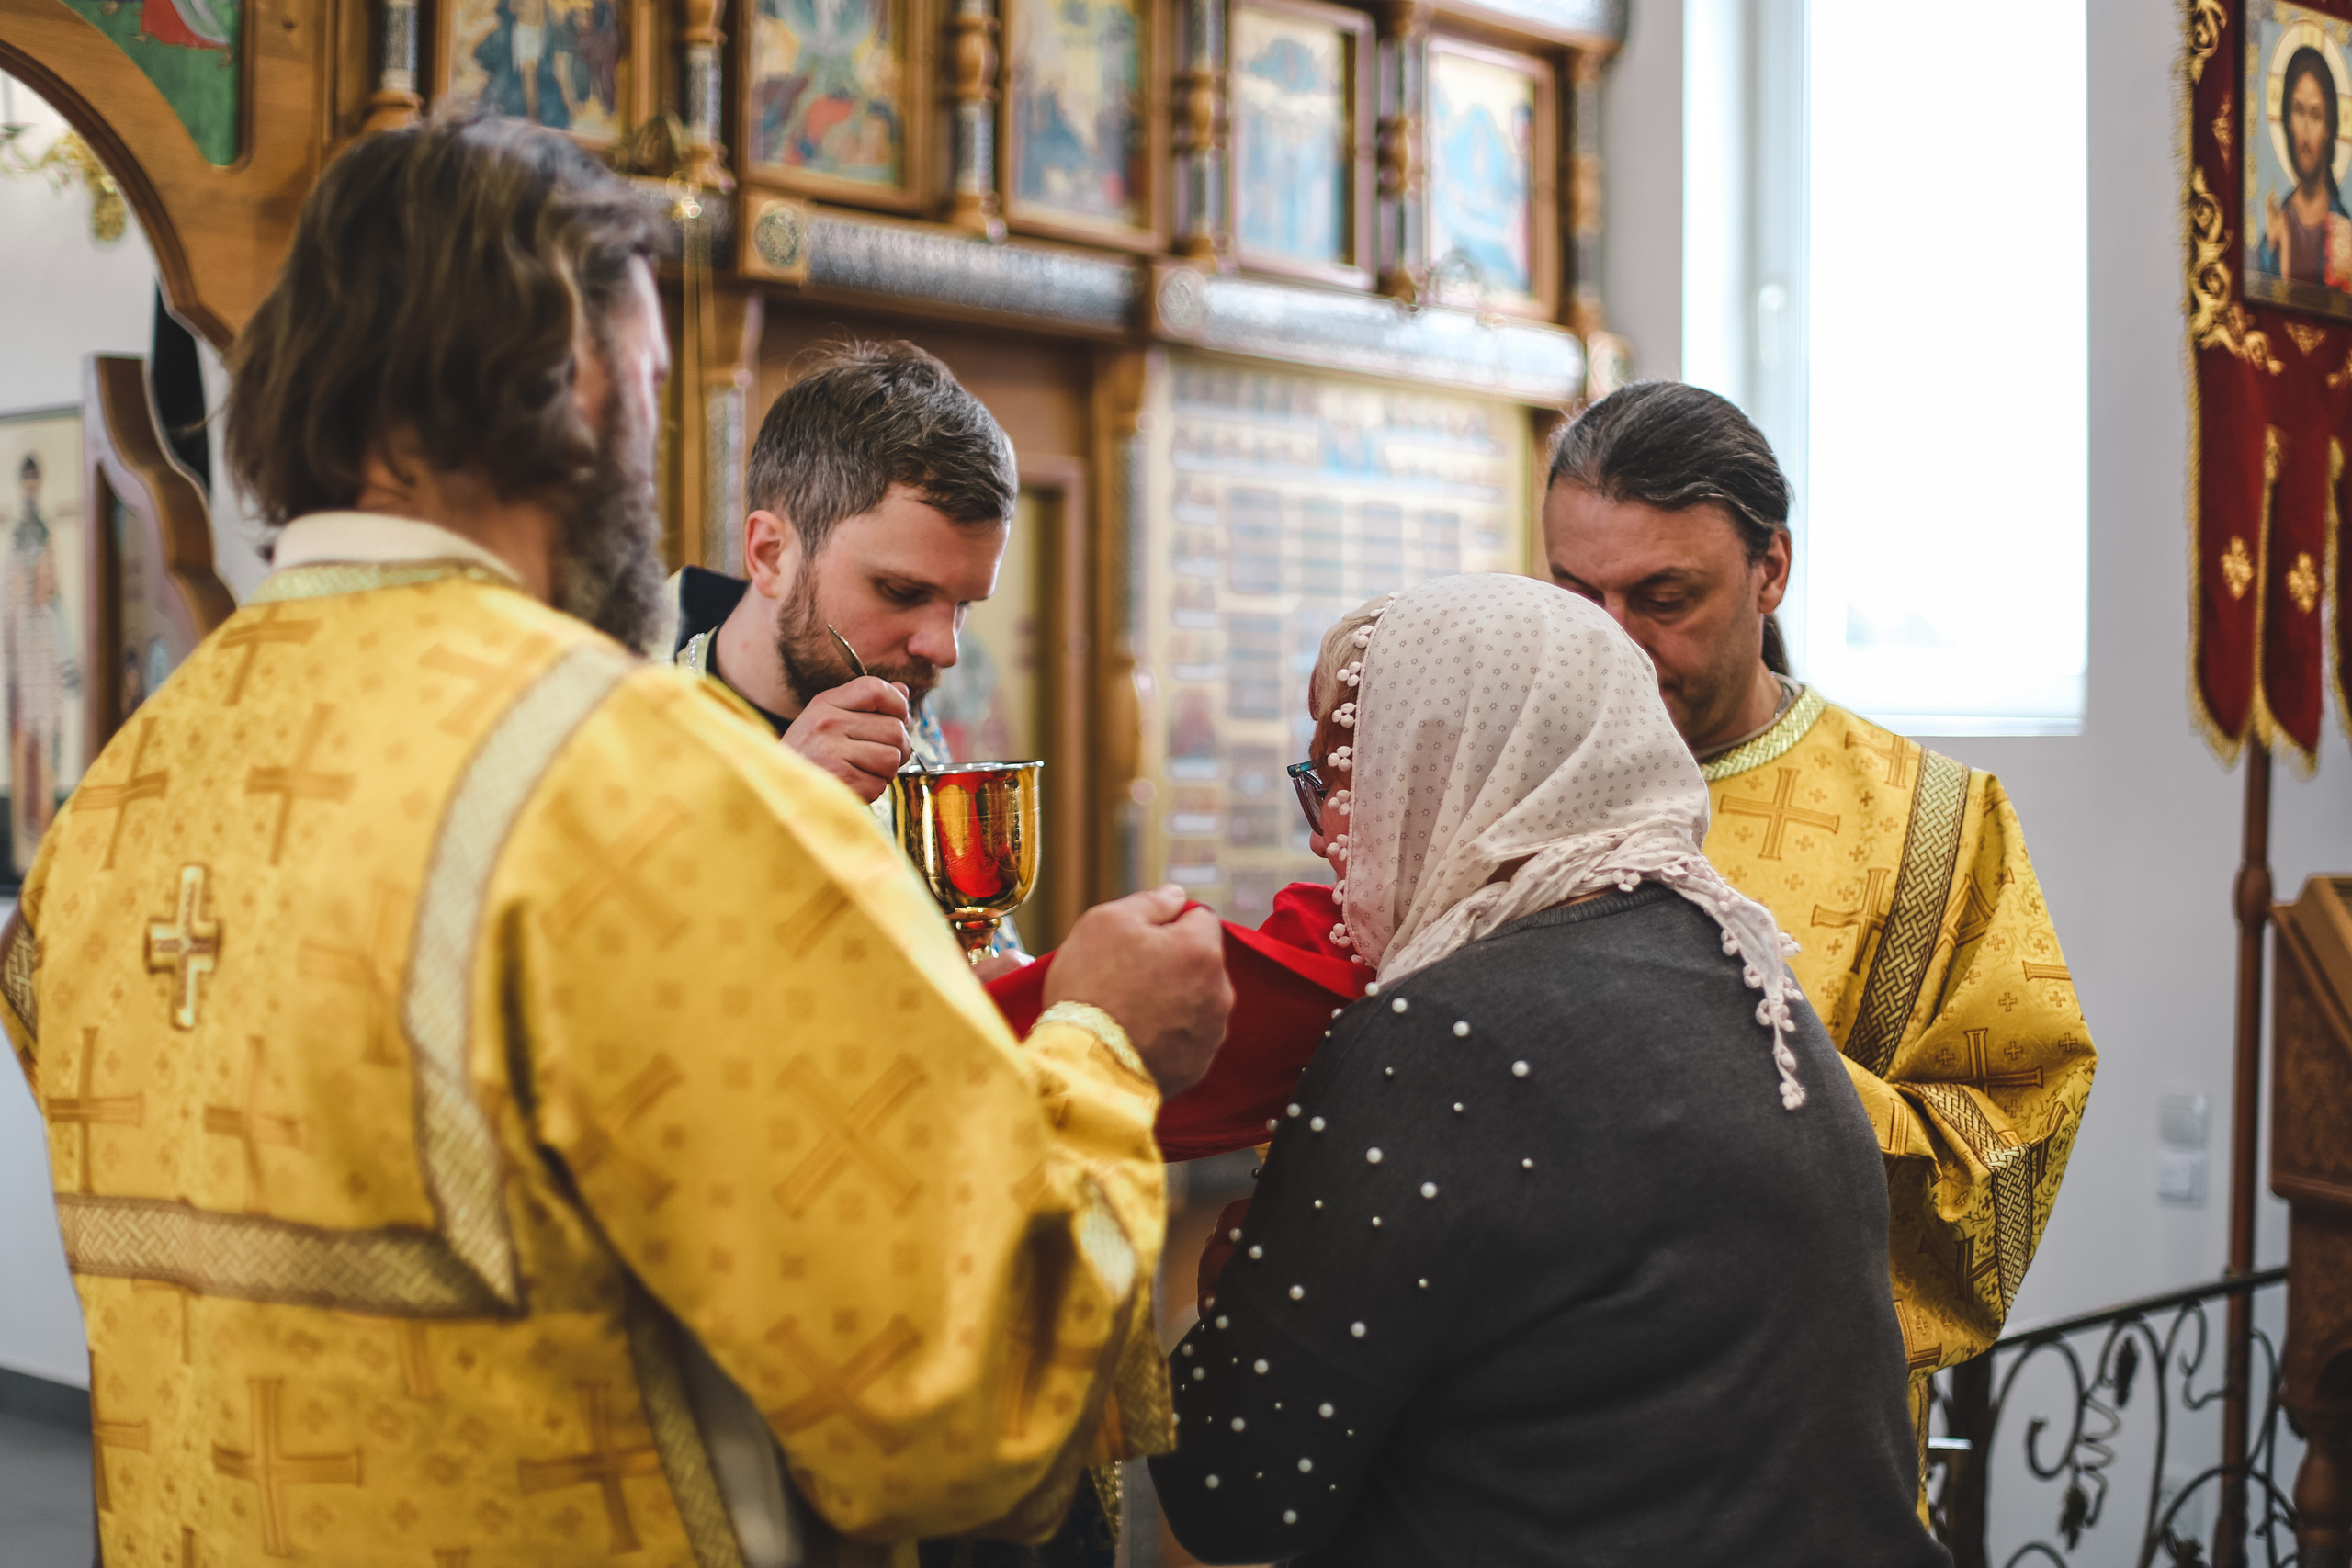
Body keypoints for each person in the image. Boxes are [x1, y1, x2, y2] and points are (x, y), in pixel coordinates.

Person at [4, 114, 1232, 1566]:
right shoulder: (649, 782)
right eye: (650, 386)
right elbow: (966, 1399)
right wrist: (1099, 1044)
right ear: (585, 385)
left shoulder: (119, 795)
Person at [1149, 575, 1946, 1568]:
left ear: (1451, 768)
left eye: (1343, 776)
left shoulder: (1440, 1035)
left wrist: (1234, 1301)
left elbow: (1231, 1491)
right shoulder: (1749, 974)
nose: (1323, 833)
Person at [1542, 380, 2098, 1461]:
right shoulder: (1498, 785)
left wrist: (1750, 1077)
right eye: (1573, 593)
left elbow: (2010, 1144)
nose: (1611, 646)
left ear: (1771, 571)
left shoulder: (1934, 824)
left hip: (1795, 1443)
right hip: (1528, 1437)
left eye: (1662, 599)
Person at [667, 340, 1027, 959]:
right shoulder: (610, 720)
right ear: (771, 555)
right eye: (902, 591)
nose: (945, 648)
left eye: (964, 604)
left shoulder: (914, 732)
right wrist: (774, 816)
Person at [2258, 45, 2352, 288]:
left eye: (2316, 114)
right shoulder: (2276, 228)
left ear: (2328, 127)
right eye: (2299, 111)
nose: (2306, 130)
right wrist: (2274, 244)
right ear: (2288, 120)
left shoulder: (2344, 230)